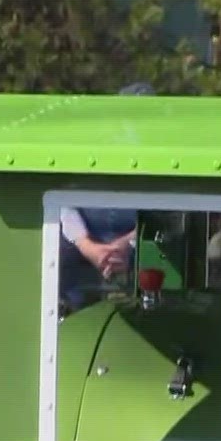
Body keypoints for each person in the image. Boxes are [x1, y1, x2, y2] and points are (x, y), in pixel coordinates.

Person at [57, 83, 153, 309]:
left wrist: (128, 243)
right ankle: (65, 313)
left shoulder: (166, 154)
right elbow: (64, 204)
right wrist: (87, 246)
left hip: (137, 242)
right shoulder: (90, 150)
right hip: (83, 243)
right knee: (53, 252)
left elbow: (166, 212)